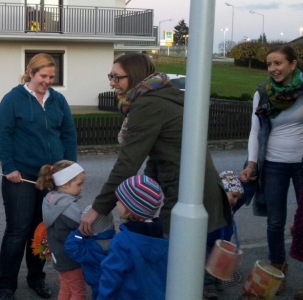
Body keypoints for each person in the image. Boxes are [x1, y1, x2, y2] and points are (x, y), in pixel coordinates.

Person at [80, 53, 231, 237]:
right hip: (199, 192)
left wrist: (98, 209)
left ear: (135, 75)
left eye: (117, 77)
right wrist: (140, 197)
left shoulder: (148, 104)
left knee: (176, 250)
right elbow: (157, 155)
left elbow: (127, 163)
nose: (112, 83)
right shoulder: (160, 95)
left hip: (188, 194)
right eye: (111, 76)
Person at [0, 53, 78, 300]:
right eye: (43, 76)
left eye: (52, 77)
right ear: (30, 73)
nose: (47, 81)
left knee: (41, 231)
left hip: (50, 178)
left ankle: (36, 279)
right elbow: (3, 135)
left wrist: (69, 168)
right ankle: (6, 286)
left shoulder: (58, 100)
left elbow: (68, 134)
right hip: (20, 177)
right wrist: (9, 167)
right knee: (17, 232)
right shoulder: (12, 99)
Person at [239, 45, 303, 295]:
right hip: (274, 164)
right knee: (275, 221)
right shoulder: (263, 93)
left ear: (293, 64)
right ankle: (278, 268)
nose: (273, 68)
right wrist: (252, 163)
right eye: (269, 64)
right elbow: (255, 131)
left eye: (278, 63)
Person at [94, 175, 168, 300]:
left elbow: (110, 281)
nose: (116, 203)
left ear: (130, 209)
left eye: (120, 201)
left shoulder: (122, 242)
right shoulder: (163, 241)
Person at [37, 161, 93, 300]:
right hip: (70, 257)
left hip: (58, 254)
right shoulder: (68, 207)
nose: (82, 188)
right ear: (65, 184)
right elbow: (83, 226)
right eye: (79, 184)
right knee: (79, 292)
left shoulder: (51, 199)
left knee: (66, 289)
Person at [65, 211, 115, 300]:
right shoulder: (116, 240)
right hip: (114, 284)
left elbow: (70, 247)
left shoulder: (89, 246)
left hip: (97, 286)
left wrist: (79, 232)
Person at [203, 171, 245, 300]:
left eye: (238, 198)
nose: (235, 200)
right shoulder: (213, 205)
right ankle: (207, 286)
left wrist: (247, 180)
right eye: (234, 196)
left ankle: (217, 281)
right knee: (208, 262)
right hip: (208, 240)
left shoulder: (231, 207)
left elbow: (246, 194)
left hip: (223, 242)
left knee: (220, 263)